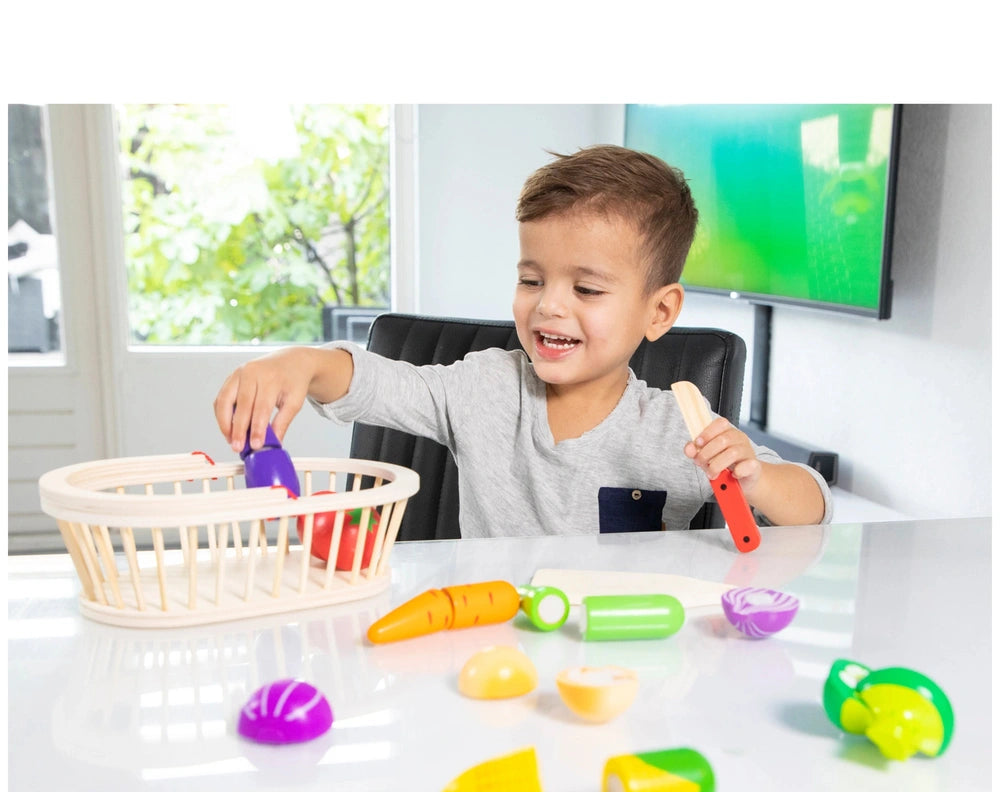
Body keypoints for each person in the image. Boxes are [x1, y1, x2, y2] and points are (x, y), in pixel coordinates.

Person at [214, 144, 831, 536]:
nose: (548, 305)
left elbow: (815, 505)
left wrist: (757, 478)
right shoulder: (482, 388)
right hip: (492, 642)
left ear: (659, 310)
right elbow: (376, 383)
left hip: (620, 660)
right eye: (531, 279)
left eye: (586, 289)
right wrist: (301, 363)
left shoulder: (678, 430)